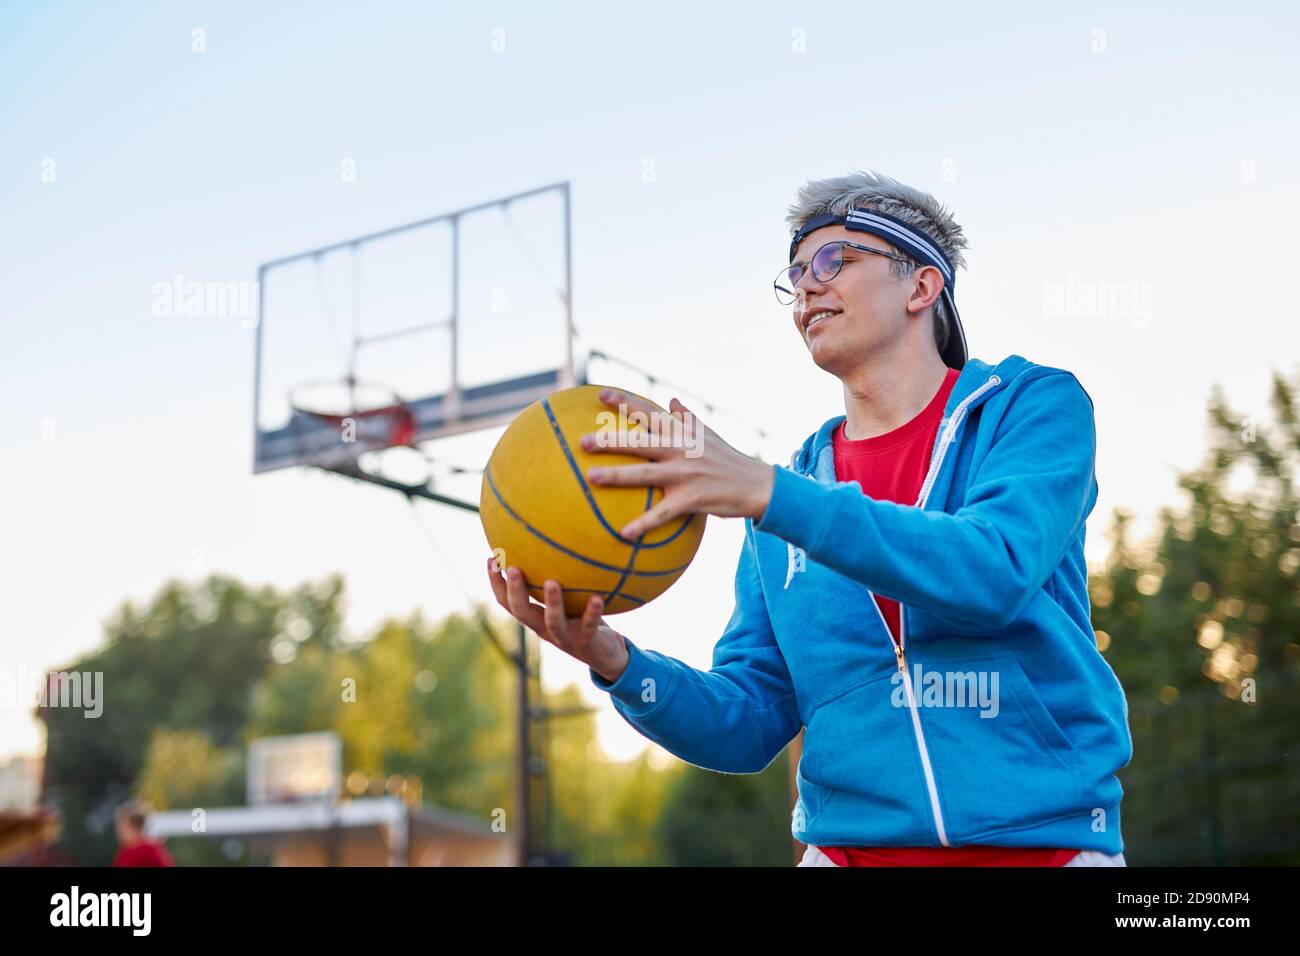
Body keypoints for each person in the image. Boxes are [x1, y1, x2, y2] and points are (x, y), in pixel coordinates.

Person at [487, 170, 1133, 866]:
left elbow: (994, 567)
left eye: (834, 261)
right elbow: (750, 721)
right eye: (794, 273)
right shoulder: (784, 497)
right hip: (843, 852)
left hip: (1047, 851)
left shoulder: (1031, 409)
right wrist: (616, 663)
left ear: (921, 286)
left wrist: (768, 494)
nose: (806, 286)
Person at [112, 800, 176, 867]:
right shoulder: (124, 852)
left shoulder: (150, 850)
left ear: (134, 825)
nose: (118, 829)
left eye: (121, 824)